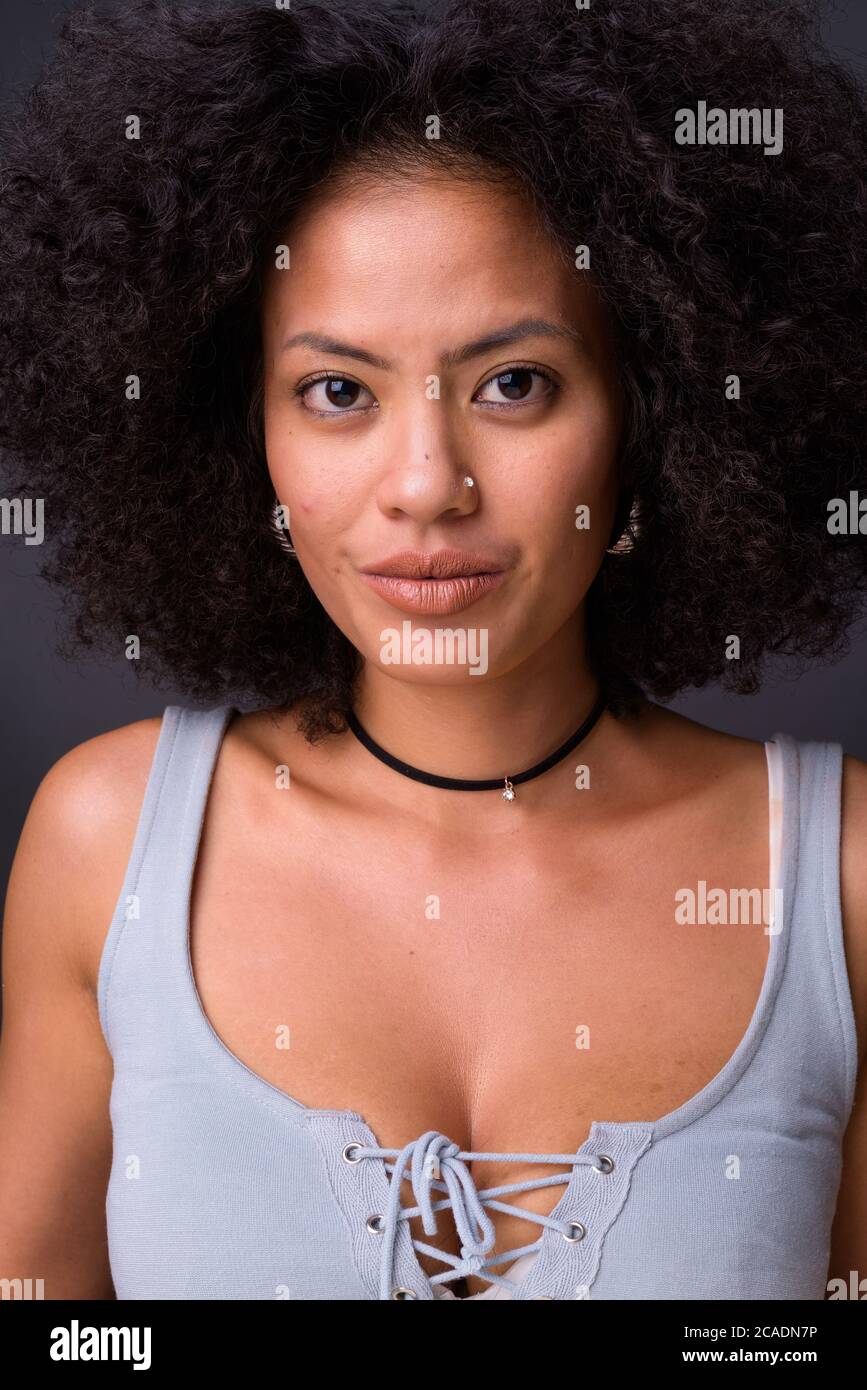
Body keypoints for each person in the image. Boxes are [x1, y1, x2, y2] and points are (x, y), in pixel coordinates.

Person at [0, 0, 865, 1301]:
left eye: (513, 382)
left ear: (656, 411)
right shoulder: (109, 848)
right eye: (338, 390)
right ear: (249, 435)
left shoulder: (842, 882)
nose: (426, 484)